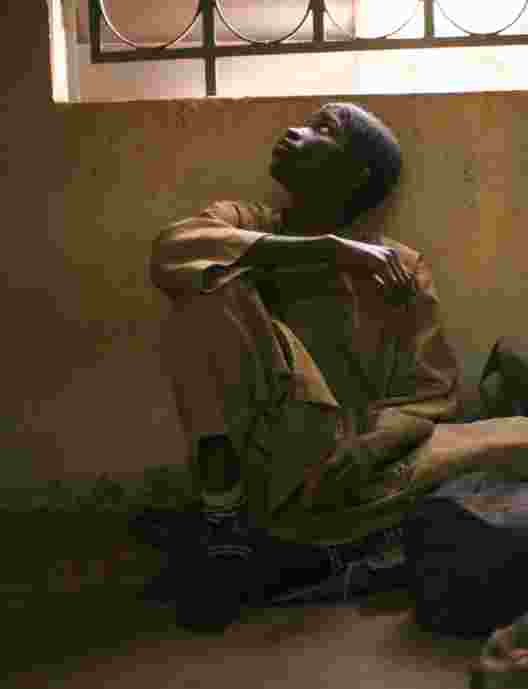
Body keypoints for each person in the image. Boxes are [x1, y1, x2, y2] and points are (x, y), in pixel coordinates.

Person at [147, 102, 460, 630]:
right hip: (261, 450)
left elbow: (431, 394)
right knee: (207, 285)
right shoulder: (244, 223)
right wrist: (327, 251)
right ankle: (224, 525)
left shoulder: (400, 268)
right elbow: (170, 252)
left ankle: (287, 546)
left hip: (342, 457)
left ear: (355, 174)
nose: (294, 131)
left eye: (323, 129)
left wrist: (367, 450)